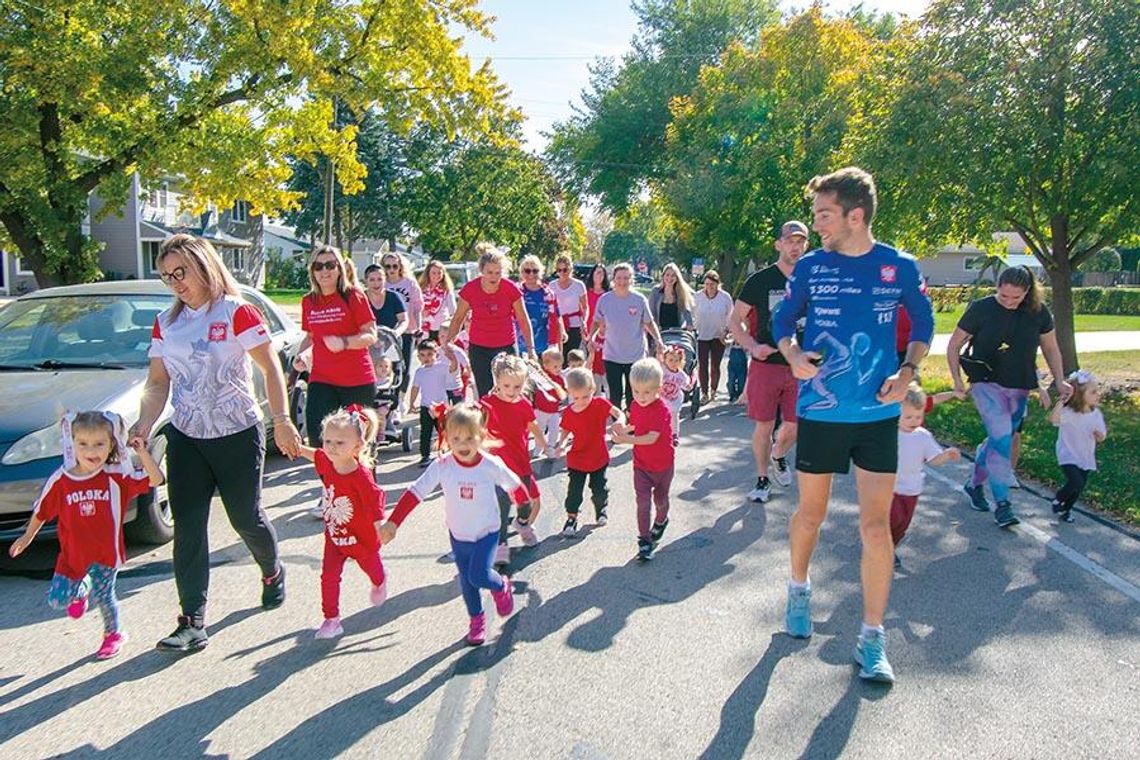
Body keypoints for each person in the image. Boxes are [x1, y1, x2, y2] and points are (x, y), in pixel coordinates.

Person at [771, 168, 934, 683]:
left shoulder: (899, 266)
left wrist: (907, 372)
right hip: (820, 409)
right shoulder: (812, 267)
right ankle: (799, 587)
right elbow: (782, 320)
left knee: (874, 525)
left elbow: (924, 324)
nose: (816, 226)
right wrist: (792, 354)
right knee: (811, 514)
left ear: (855, 216)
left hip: (877, 416)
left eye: (824, 215)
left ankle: (871, 638)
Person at [130, 234, 302, 653]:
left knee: (246, 518)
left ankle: (272, 570)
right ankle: (192, 620)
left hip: (238, 434)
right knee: (189, 527)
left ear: (203, 266)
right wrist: (143, 423)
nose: (175, 283)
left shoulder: (236, 311)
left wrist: (280, 421)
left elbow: (271, 368)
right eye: (167, 276)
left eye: (181, 273)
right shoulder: (165, 323)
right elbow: (157, 382)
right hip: (187, 436)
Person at [9, 412, 165, 660]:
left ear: (111, 444)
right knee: (58, 601)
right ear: (72, 444)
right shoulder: (61, 480)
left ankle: (114, 634)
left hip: (106, 555)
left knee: (105, 596)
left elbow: (155, 479)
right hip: (73, 556)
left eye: (99, 444)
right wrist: (26, 538)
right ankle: (81, 589)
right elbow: (42, 512)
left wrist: (143, 452)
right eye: (83, 443)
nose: (91, 450)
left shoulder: (116, 476)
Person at [380, 406, 524, 646]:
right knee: (467, 582)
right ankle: (476, 620)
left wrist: (524, 505)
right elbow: (416, 492)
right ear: (446, 437)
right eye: (456, 438)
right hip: (459, 534)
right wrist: (394, 522)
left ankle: (500, 585)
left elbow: (514, 485)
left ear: (481, 436)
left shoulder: (490, 464)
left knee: (478, 575)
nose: (463, 444)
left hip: (487, 531)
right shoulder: (443, 465)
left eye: (469, 437)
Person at [946, 265, 1070, 527]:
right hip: (985, 382)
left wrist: (1059, 380)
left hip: (1020, 386)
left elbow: (1050, 347)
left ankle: (973, 484)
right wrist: (957, 379)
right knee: (1001, 437)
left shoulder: (1038, 312)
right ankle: (1003, 504)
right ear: (997, 288)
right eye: (1004, 296)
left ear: (1027, 292)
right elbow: (954, 343)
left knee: (998, 439)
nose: (1009, 302)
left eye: (1016, 297)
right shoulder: (981, 308)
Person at [730, 221, 810, 503]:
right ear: (779, 244)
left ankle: (779, 454)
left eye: (801, 241)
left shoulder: (813, 279)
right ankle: (762, 480)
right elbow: (734, 319)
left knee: (796, 425)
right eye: (790, 241)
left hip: (800, 366)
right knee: (764, 426)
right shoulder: (761, 281)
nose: (795, 246)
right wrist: (752, 346)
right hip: (767, 364)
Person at [295, 406, 387, 639]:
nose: (332, 448)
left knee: (373, 571)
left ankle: (380, 580)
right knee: (328, 576)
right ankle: (331, 619)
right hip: (335, 536)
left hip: (362, 538)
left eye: (340, 443)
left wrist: (380, 528)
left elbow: (375, 503)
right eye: (328, 441)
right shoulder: (326, 461)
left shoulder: (361, 477)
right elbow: (314, 454)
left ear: (357, 446)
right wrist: (295, 446)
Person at [296, 246, 380, 448]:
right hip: (322, 378)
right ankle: (330, 481)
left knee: (358, 445)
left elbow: (371, 335)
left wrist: (344, 343)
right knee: (321, 440)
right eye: (318, 266)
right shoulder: (309, 301)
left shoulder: (353, 296)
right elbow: (310, 337)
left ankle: (364, 480)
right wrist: (302, 355)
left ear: (339, 269)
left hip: (356, 379)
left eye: (330, 265)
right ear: (312, 271)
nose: (324, 271)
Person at [443, 243, 536, 399]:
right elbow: (458, 318)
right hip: (479, 348)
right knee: (486, 393)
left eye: (498, 273)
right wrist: (448, 342)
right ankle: (489, 423)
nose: (494, 277)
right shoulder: (470, 289)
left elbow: (523, 319)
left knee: (509, 390)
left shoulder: (510, 289)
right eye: (489, 272)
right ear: (481, 271)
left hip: (506, 346)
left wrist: (530, 348)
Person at [481, 354, 549, 561]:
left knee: (529, 503)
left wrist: (544, 444)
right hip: (498, 467)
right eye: (507, 386)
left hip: (521, 464)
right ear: (497, 383)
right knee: (501, 508)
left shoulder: (524, 404)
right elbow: (478, 426)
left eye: (517, 386)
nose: (511, 391)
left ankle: (522, 523)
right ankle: (500, 546)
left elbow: (533, 425)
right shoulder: (487, 403)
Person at [891, 385, 961, 569]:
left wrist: (946, 455)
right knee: (892, 518)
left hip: (912, 488)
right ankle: (881, 547)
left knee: (902, 525)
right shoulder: (889, 432)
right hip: (889, 487)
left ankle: (890, 546)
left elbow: (934, 459)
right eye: (908, 417)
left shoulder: (923, 436)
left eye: (918, 417)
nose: (914, 421)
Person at [612, 358, 676, 561]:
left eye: (647, 392)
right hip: (641, 465)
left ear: (658, 388)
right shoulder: (635, 404)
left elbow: (651, 437)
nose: (640, 397)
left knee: (661, 501)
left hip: (663, 465)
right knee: (643, 502)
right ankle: (644, 540)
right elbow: (634, 422)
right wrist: (624, 427)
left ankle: (661, 520)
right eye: (636, 391)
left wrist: (626, 439)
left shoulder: (662, 409)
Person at [555, 368, 625, 536]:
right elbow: (564, 432)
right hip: (577, 459)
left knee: (599, 488)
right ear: (570, 393)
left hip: (598, 457)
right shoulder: (569, 412)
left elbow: (618, 412)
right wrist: (562, 444)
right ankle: (571, 518)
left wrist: (620, 422)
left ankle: (601, 509)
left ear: (592, 389)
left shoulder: (600, 404)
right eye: (576, 397)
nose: (581, 401)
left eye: (585, 396)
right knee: (574, 492)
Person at [590, 262, 665, 411]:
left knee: (634, 396)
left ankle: (633, 427)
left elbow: (649, 323)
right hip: (612, 355)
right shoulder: (605, 300)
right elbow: (596, 322)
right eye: (619, 278)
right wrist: (590, 339)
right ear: (613, 279)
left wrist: (659, 341)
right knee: (615, 395)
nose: (622, 282)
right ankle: (618, 428)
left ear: (631, 279)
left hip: (635, 356)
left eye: (626, 278)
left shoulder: (639, 299)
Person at [1049, 370, 1107, 523]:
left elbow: (1102, 434)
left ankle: (1066, 510)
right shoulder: (1068, 413)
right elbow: (1054, 420)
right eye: (1093, 392)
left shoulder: (1096, 414)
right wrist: (1061, 402)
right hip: (1067, 453)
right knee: (1076, 482)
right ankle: (1058, 499)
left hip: (1085, 456)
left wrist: (1099, 435)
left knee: (1078, 488)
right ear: (1080, 395)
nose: (1097, 394)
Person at [407, 340, 459, 467]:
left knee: (444, 431)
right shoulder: (419, 372)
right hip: (426, 406)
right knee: (425, 432)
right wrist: (412, 403)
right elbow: (415, 388)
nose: (427, 358)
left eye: (430, 354)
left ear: (436, 354)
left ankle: (449, 453)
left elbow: (453, 368)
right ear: (418, 357)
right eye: (423, 355)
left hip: (441, 406)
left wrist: (452, 358)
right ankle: (425, 455)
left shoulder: (442, 367)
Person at [381, 252, 424, 394]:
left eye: (395, 266)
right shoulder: (381, 284)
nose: (391, 269)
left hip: (407, 330)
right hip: (385, 331)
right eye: (388, 266)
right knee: (387, 364)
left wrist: (418, 327)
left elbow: (417, 307)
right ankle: (387, 394)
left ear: (400, 266)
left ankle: (401, 396)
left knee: (404, 365)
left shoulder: (409, 283)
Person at [693, 270, 734, 402]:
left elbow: (730, 315)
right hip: (702, 335)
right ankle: (704, 392)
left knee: (715, 365)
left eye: (712, 284)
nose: (709, 287)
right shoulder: (697, 297)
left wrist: (727, 331)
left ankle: (713, 389)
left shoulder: (725, 297)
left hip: (718, 335)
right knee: (702, 364)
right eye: (707, 284)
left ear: (718, 284)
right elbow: (691, 313)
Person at [515, 254, 562, 355]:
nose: (531, 274)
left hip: (544, 348)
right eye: (527, 271)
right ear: (522, 273)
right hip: (520, 347)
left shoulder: (549, 294)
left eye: (535, 271)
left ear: (540, 272)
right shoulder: (515, 292)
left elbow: (557, 320)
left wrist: (558, 348)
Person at [551, 252, 589, 355]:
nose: (562, 273)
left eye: (565, 270)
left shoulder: (579, 285)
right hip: (558, 325)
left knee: (572, 356)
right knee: (558, 357)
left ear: (570, 269)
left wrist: (584, 321)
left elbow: (585, 307)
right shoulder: (552, 286)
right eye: (559, 270)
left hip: (574, 325)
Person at [532, 346, 567, 456]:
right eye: (555, 366)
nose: (559, 369)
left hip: (554, 410)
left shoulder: (560, 379)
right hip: (541, 409)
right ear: (546, 366)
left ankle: (551, 447)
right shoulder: (542, 377)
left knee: (554, 429)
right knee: (540, 430)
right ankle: (538, 448)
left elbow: (563, 393)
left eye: (560, 366)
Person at [648, 262, 694, 332]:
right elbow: (651, 312)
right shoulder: (656, 291)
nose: (670, 278)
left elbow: (686, 311)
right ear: (663, 276)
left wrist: (689, 324)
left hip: (676, 332)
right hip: (659, 331)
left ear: (677, 278)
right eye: (667, 275)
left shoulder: (680, 292)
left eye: (673, 276)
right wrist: (655, 326)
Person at [660, 347, 693, 442]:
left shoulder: (682, 375)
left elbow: (685, 385)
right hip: (662, 398)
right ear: (665, 360)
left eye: (676, 360)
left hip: (675, 399)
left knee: (674, 417)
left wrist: (688, 387)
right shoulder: (662, 370)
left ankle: (674, 434)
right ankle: (661, 433)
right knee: (661, 416)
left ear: (680, 361)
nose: (673, 363)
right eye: (670, 360)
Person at [419, 259, 457, 342]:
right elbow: (415, 307)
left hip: (441, 329)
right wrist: (421, 313)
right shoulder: (421, 289)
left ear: (443, 274)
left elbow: (453, 312)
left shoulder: (447, 290)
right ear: (428, 273)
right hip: (424, 328)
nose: (436, 275)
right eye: (433, 273)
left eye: (439, 273)